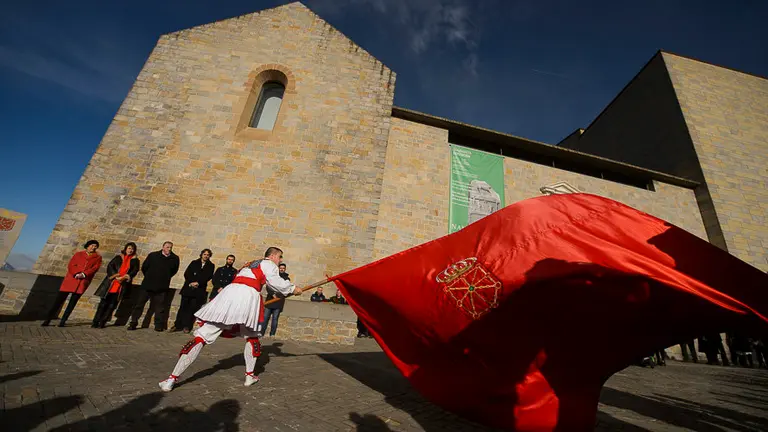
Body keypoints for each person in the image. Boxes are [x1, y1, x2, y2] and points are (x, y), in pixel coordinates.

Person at [158, 247, 303, 392]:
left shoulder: (251, 263)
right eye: (280, 257)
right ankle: (249, 376)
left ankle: (171, 379)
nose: (280, 260)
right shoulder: (269, 264)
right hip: (246, 297)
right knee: (252, 335)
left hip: (229, 294)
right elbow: (275, 281)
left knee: (203, 336)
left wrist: (282, 291)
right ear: (272, 256)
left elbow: (267, 284)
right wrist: (293, 288)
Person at [42, 240, 103, 327]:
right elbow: (71, 264)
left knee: (72, 303)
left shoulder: (98, 258)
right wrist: (76, 273)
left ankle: (63, 321)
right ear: (88, 246)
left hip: (82, 281)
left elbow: (94, 268)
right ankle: (47, 319)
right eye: (92, 245)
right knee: (58, 301)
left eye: (95, 246)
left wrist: (83, 274)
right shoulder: (78, 254)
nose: (93, 247)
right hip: (71, 280)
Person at [128, 241, 180, 331]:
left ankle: (158, 325)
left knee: (160, 307)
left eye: (171, 247)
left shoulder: (174, 258)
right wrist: (150, 276)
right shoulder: (153, 255)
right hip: (148, 284)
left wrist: (165, 277)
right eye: (167, 247)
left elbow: (174, 271)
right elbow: (144, 267)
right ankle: (133, 322)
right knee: (139, 304)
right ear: (163, 247)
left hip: (162, 287)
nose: (169, 249)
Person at [91, 242, 140, 328]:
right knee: (103, 304)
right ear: (125, 249)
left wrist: (125, 277)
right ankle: (95, 321)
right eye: (129, 248)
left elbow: (135, 271)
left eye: (132, 249)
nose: (130, 250)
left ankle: (103, 321)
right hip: (111, 283)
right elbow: (110, 266)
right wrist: (115, 275)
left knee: (112, 305)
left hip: (122, 285)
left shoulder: (135, 260)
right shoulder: (118, 257)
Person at [172, 249, 215, 333]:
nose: (206, 256)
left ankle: (187, 326)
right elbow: (187, 273)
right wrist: (191, 282)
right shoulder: (194, 263)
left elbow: (208, 276)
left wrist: (198, 283)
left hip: (199, 290)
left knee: (192, 309)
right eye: (204, 254)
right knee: (183, 308)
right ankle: (177, 325)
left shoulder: (211, 265)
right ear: (201, 254)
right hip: (188, 288)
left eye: (208, 255)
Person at [260, 263, 289, 337]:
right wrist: (273, 294)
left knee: (275, 319)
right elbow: (268, 286)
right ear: (278, 268)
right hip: (270, 300)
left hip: (279, 301)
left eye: (283, 268)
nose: (282, 269)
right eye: (280, 268)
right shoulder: (274, 276)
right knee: (265, 317)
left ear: (285, 269)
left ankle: (272, 334)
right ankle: (261, 333)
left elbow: (285, 288)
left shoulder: (287, 279)